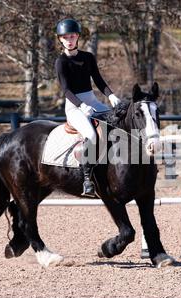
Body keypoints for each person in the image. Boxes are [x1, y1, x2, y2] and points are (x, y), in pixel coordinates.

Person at [55, 18, 121, 197]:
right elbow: (66, 90)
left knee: (117, 121)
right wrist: (81, 106)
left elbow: (98, 80)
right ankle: (87, 179)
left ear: (77, 37)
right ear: (60, 39)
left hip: (92, 101)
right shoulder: (61, 62)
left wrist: (111, 95)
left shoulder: (88, 57)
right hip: (74, 107)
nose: (69, 40)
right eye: (65, 37)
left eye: (72, 36)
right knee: (91, 135)